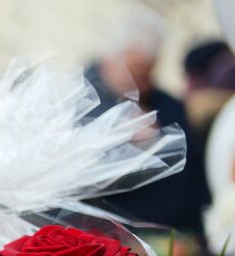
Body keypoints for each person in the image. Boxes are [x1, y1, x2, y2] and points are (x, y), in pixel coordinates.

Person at [86, 10, 209, 233]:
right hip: (109, 234)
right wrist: (127, 144)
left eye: (147, 74)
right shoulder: (78, 98)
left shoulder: (170, 107)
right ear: (110, 60)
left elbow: (195, 175)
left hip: (173, 235)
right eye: (134, 72)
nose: (140, 85)